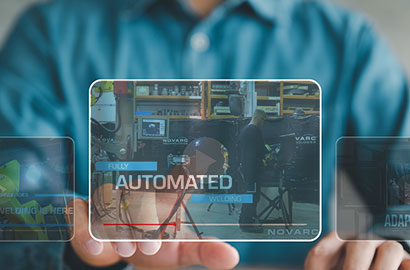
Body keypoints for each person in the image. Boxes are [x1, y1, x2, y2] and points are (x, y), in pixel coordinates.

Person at [0, 0, 409, 269]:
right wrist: (77, 248)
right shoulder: (50, 35)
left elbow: (403, 204)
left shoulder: (348, 44)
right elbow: (16, 208)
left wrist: (380, 257)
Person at [238, 109, 267, 233]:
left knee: (248, 195)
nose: (263, 123)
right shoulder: (254, 131)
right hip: (253, 170)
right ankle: (247, 224)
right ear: (258, 118)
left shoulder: (244, 130)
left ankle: (245, 220)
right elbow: (262, 150)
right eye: (263, 120)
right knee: (253, 197)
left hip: (246, 169)